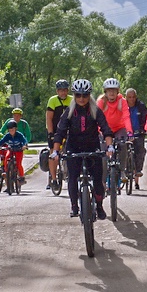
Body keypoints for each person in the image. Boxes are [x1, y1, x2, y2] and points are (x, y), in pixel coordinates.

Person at [51, 79, 114, 219]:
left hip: (93, 147)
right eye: (78, 95)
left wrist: (109, 146)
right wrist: (55, 151)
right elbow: (60, 132)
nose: (81, 98)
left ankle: (99, 205)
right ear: (74, 95)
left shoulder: (95, 110)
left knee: (98, 179)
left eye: (85, 95)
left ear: (89, 95)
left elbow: (106, 129)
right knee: (72, 178)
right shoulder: (69, 111)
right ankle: (74, 206)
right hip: (74, 147)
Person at [45, 80, 71, 189]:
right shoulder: (53, 100)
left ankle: (70, 174)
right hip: (55, 130)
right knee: (53, 154)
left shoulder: (72, 100)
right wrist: (51, 134)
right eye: (61, 91)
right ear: (57, 91)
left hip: (69, 130)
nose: (63, 93)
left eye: (65, 90)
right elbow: (49, 118)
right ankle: (53, 178)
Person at [125, 88, 147, 189]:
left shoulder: (141, 106)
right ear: (126, 97)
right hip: (126, 133)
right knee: (124, 151)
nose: (132, 99)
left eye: (133, 97)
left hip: (139, 133)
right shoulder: (122, 106)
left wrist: (145, 129)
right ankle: (125, 170)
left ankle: (138, 170)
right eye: (129, 97)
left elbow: (146, 118)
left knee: (141, 150)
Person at [0, 120, 28, 184]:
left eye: (13, 129)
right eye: (10, 130)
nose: (11, 131)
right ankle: (6, 172)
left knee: (18, 163)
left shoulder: (19, 135)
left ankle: (22, 177)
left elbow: (24, 140)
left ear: (16, 129)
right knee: (6, 158)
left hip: (19, 150)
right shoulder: (8, 135)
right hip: (11, 149)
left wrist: (24, 145)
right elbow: (2, 140)